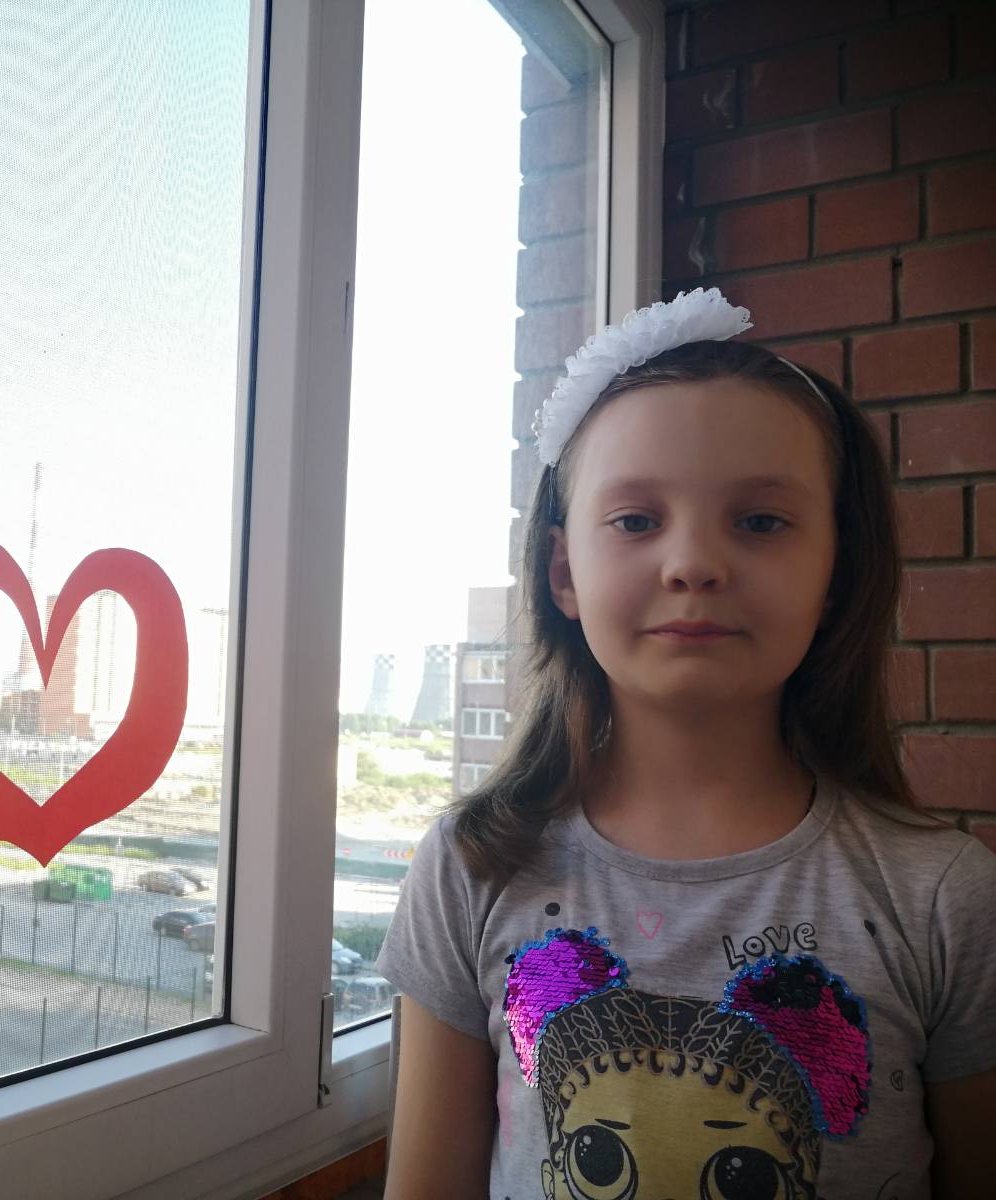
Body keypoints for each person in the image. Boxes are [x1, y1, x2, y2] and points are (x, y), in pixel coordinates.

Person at [376, 288, 996, 1200]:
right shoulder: (471, 868)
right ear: (563, 571)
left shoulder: (944, 898)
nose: (694, 563)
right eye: (636, 520)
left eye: (761, 521)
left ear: (836, 569)